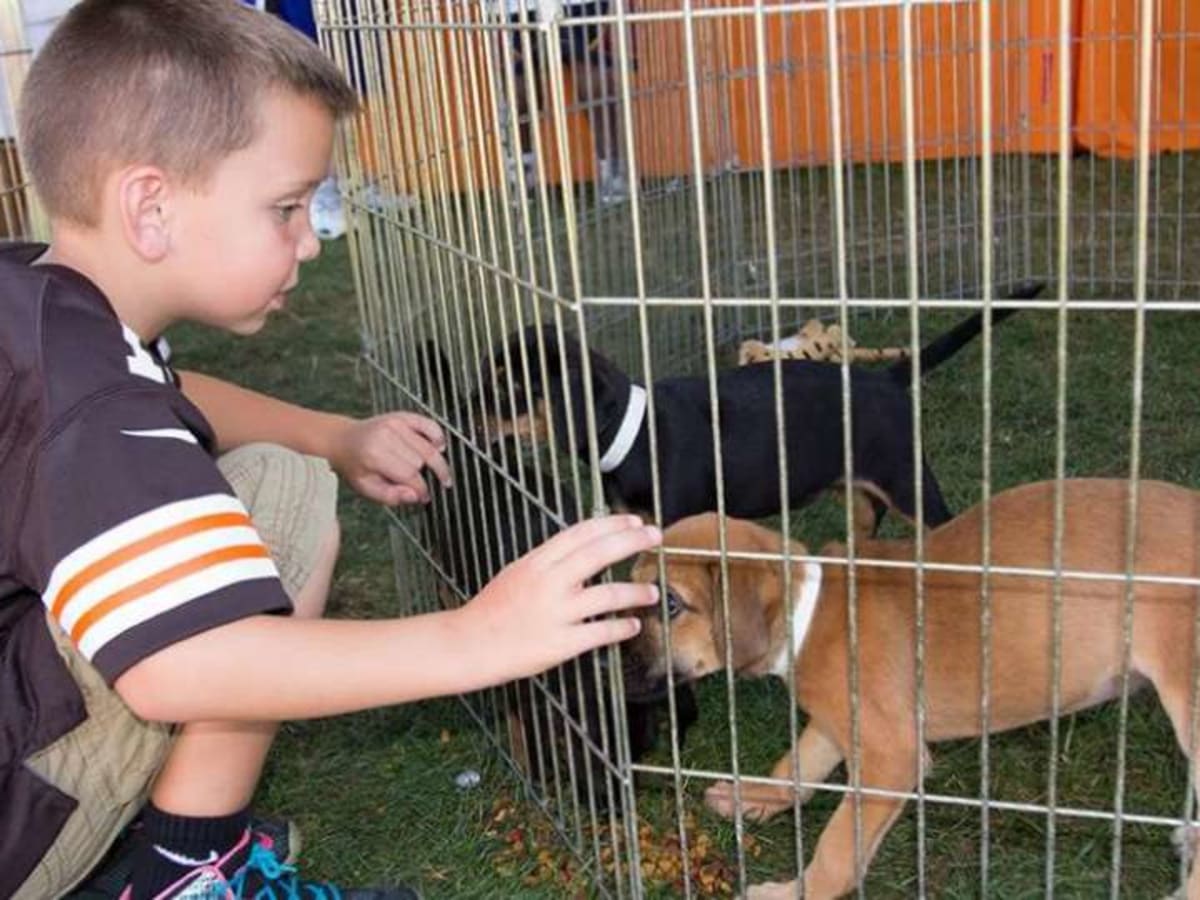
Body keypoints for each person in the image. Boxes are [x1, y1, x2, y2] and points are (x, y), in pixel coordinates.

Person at [0, 2, 661, 898]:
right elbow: (179, 668)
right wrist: (474, 638)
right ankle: (182, 873)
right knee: (279, 517)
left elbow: (167, 395)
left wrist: (333, 435)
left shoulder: (38, 299)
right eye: (284, 208)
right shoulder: (91, 399)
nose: (311, 240)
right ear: (149, 206)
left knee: (284, 471)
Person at [502, 0, 632, 205]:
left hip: (578, 5)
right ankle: (520, 171)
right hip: (519, 7)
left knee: (595, 83)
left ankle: (614, 170)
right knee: (519, 89)